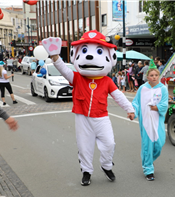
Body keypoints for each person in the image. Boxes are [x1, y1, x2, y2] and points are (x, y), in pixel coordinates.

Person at [42, 30, 135, 186]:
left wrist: (129, 109)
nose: (90, 57)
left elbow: (118, 95)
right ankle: (86, 172)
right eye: (84, 51)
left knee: (109, 144)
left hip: (101, 117)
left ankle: (106, 166)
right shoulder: (77, 78)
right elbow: (64, 70)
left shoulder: (106, 80)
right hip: (82, 116)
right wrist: (55, 57)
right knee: (84, 147)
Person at [132, 60, 168, 181]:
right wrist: (133, 112)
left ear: (159, 76)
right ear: (147, 76)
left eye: (156, 75)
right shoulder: (142, 88)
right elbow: (136, 103)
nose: (154, 77)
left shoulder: (163, 89)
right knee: (147, 145)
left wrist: (156, 107)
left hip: (158, 121)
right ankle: (148, 169)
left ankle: (149, 160)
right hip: (146, 121)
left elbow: (164, 104)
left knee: (159, 143)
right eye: (151, 75)